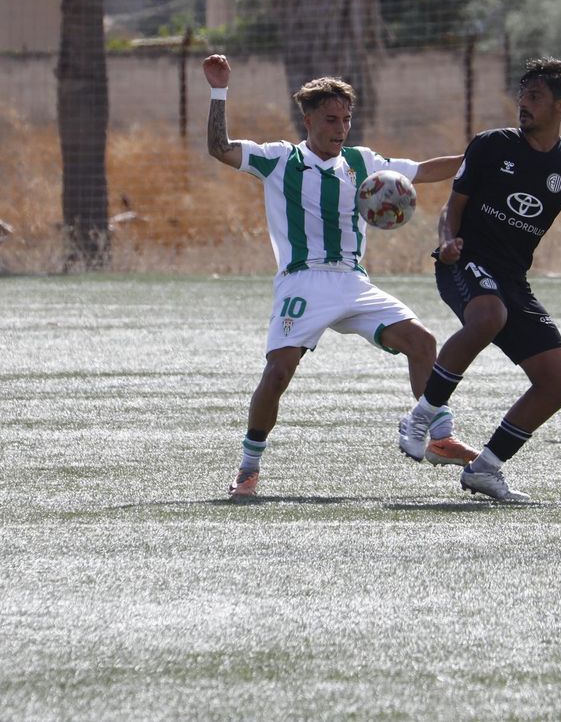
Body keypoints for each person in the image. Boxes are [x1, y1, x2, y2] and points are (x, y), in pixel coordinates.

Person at [202, 53, 478, 498]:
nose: (340, 128)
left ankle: (440, 435)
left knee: (423, 341)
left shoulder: (362, 161)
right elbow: (220, 148)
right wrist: (219, 91)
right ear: (308, 119)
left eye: (346, 119)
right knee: (278, 372)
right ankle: (248, 469)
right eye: (331, 119)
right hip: (302, 281)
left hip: (353, 281)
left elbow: (424, 171)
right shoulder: (279, 159)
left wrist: (479, 158)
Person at [398, 58, 561, 501]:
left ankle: (486, 468)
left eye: (535, 97)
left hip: (512, 278)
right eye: (522, 95)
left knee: (559, 381)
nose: (523, 104)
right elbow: (451, 207)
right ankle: (423, 415)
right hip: (464, 260)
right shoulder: (491, 145)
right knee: (489, 313)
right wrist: (449, 239)